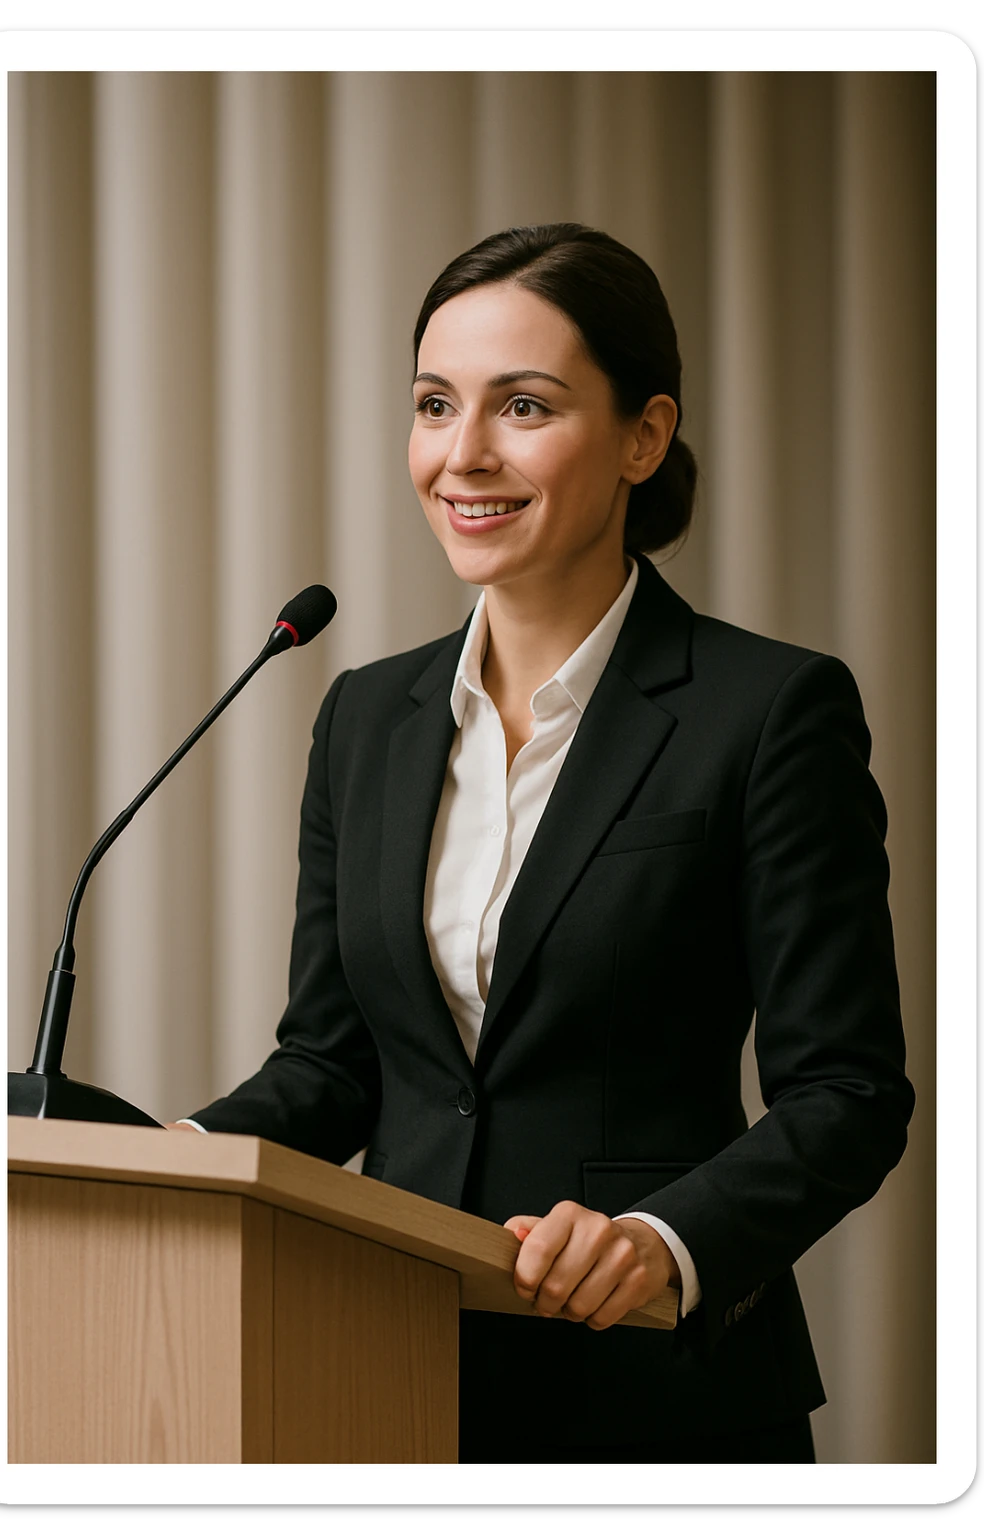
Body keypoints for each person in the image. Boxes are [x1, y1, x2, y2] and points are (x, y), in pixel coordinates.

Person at [171, 224, 914, 1464]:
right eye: (432, 405)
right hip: (379, 1382)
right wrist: (173, 1163)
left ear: (643, 435)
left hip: (655, 1404)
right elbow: (333, 1065)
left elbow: (848, 1094)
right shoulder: (364, 716)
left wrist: (660, 1241)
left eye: (523, 406)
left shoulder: (769, 710)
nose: (463, 455)